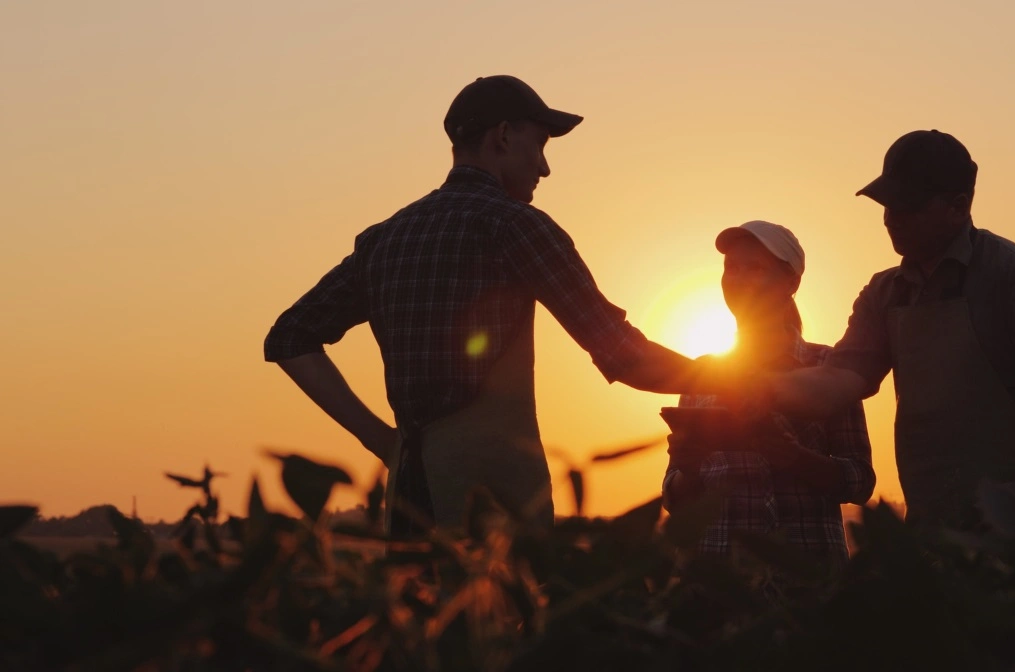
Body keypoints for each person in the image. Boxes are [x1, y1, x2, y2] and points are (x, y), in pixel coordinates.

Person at [264, 75, 710, 534]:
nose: (544, 168)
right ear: (502, 136)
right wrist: (732, 382)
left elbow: (289, 337)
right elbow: (624, 355)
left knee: (416, 606)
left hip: (410, 503)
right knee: (501, 607)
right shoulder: (516, 227)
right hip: (497, 511)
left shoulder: (385, 239)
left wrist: (382, 440)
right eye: (539, 145)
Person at [758, 130, 1015, 531]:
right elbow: (838, 381)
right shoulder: (886, 294)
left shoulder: (1013, 276)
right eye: (886, 203)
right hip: (933, 534)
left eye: (907, 205)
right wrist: (747, 386)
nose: (892, 217)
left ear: (958, 206)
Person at [662, 221, 875, 563]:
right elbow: (674, 497)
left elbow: (860, 481)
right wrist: (689, 467)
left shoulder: (828, 367)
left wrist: (793, 457)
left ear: (791, 282)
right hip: (717, 576)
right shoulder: (700, 373)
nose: (740, 278)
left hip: (807, 577)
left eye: (756, 268)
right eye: (731, 267)